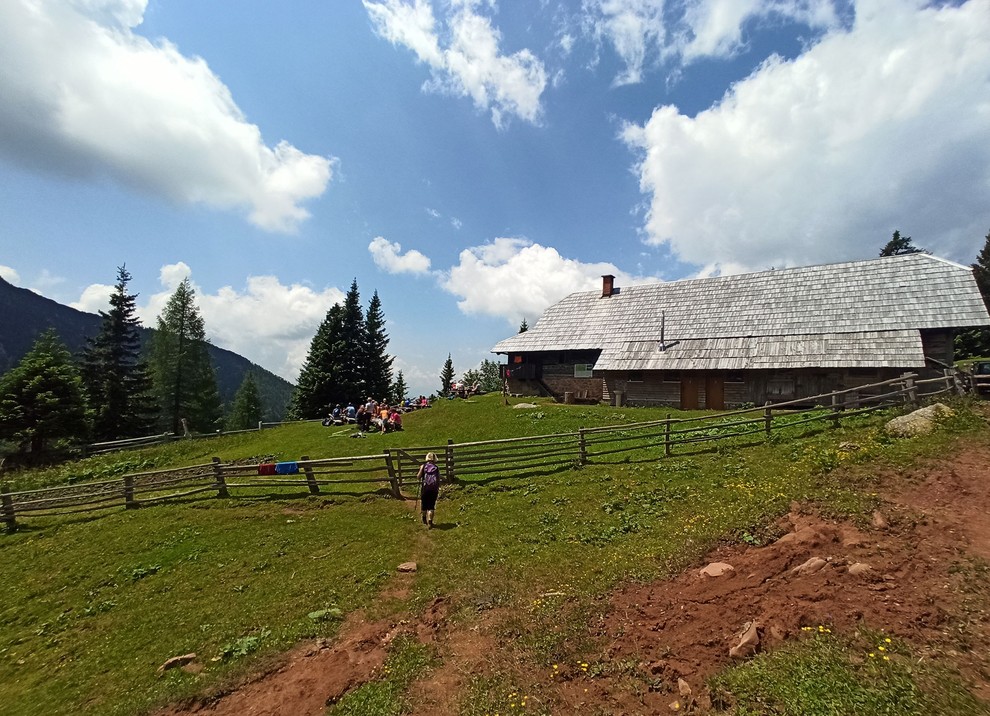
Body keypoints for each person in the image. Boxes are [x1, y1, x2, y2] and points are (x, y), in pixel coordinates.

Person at [417, 452, 441, 528]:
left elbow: (418, 477)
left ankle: (424, 519)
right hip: (433, 489)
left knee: (424, 504)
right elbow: (438, 479)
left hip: (425, 488)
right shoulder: (436, 467)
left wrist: (421, 469)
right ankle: (430, 521)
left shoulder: (424, 466)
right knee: (431, 505)